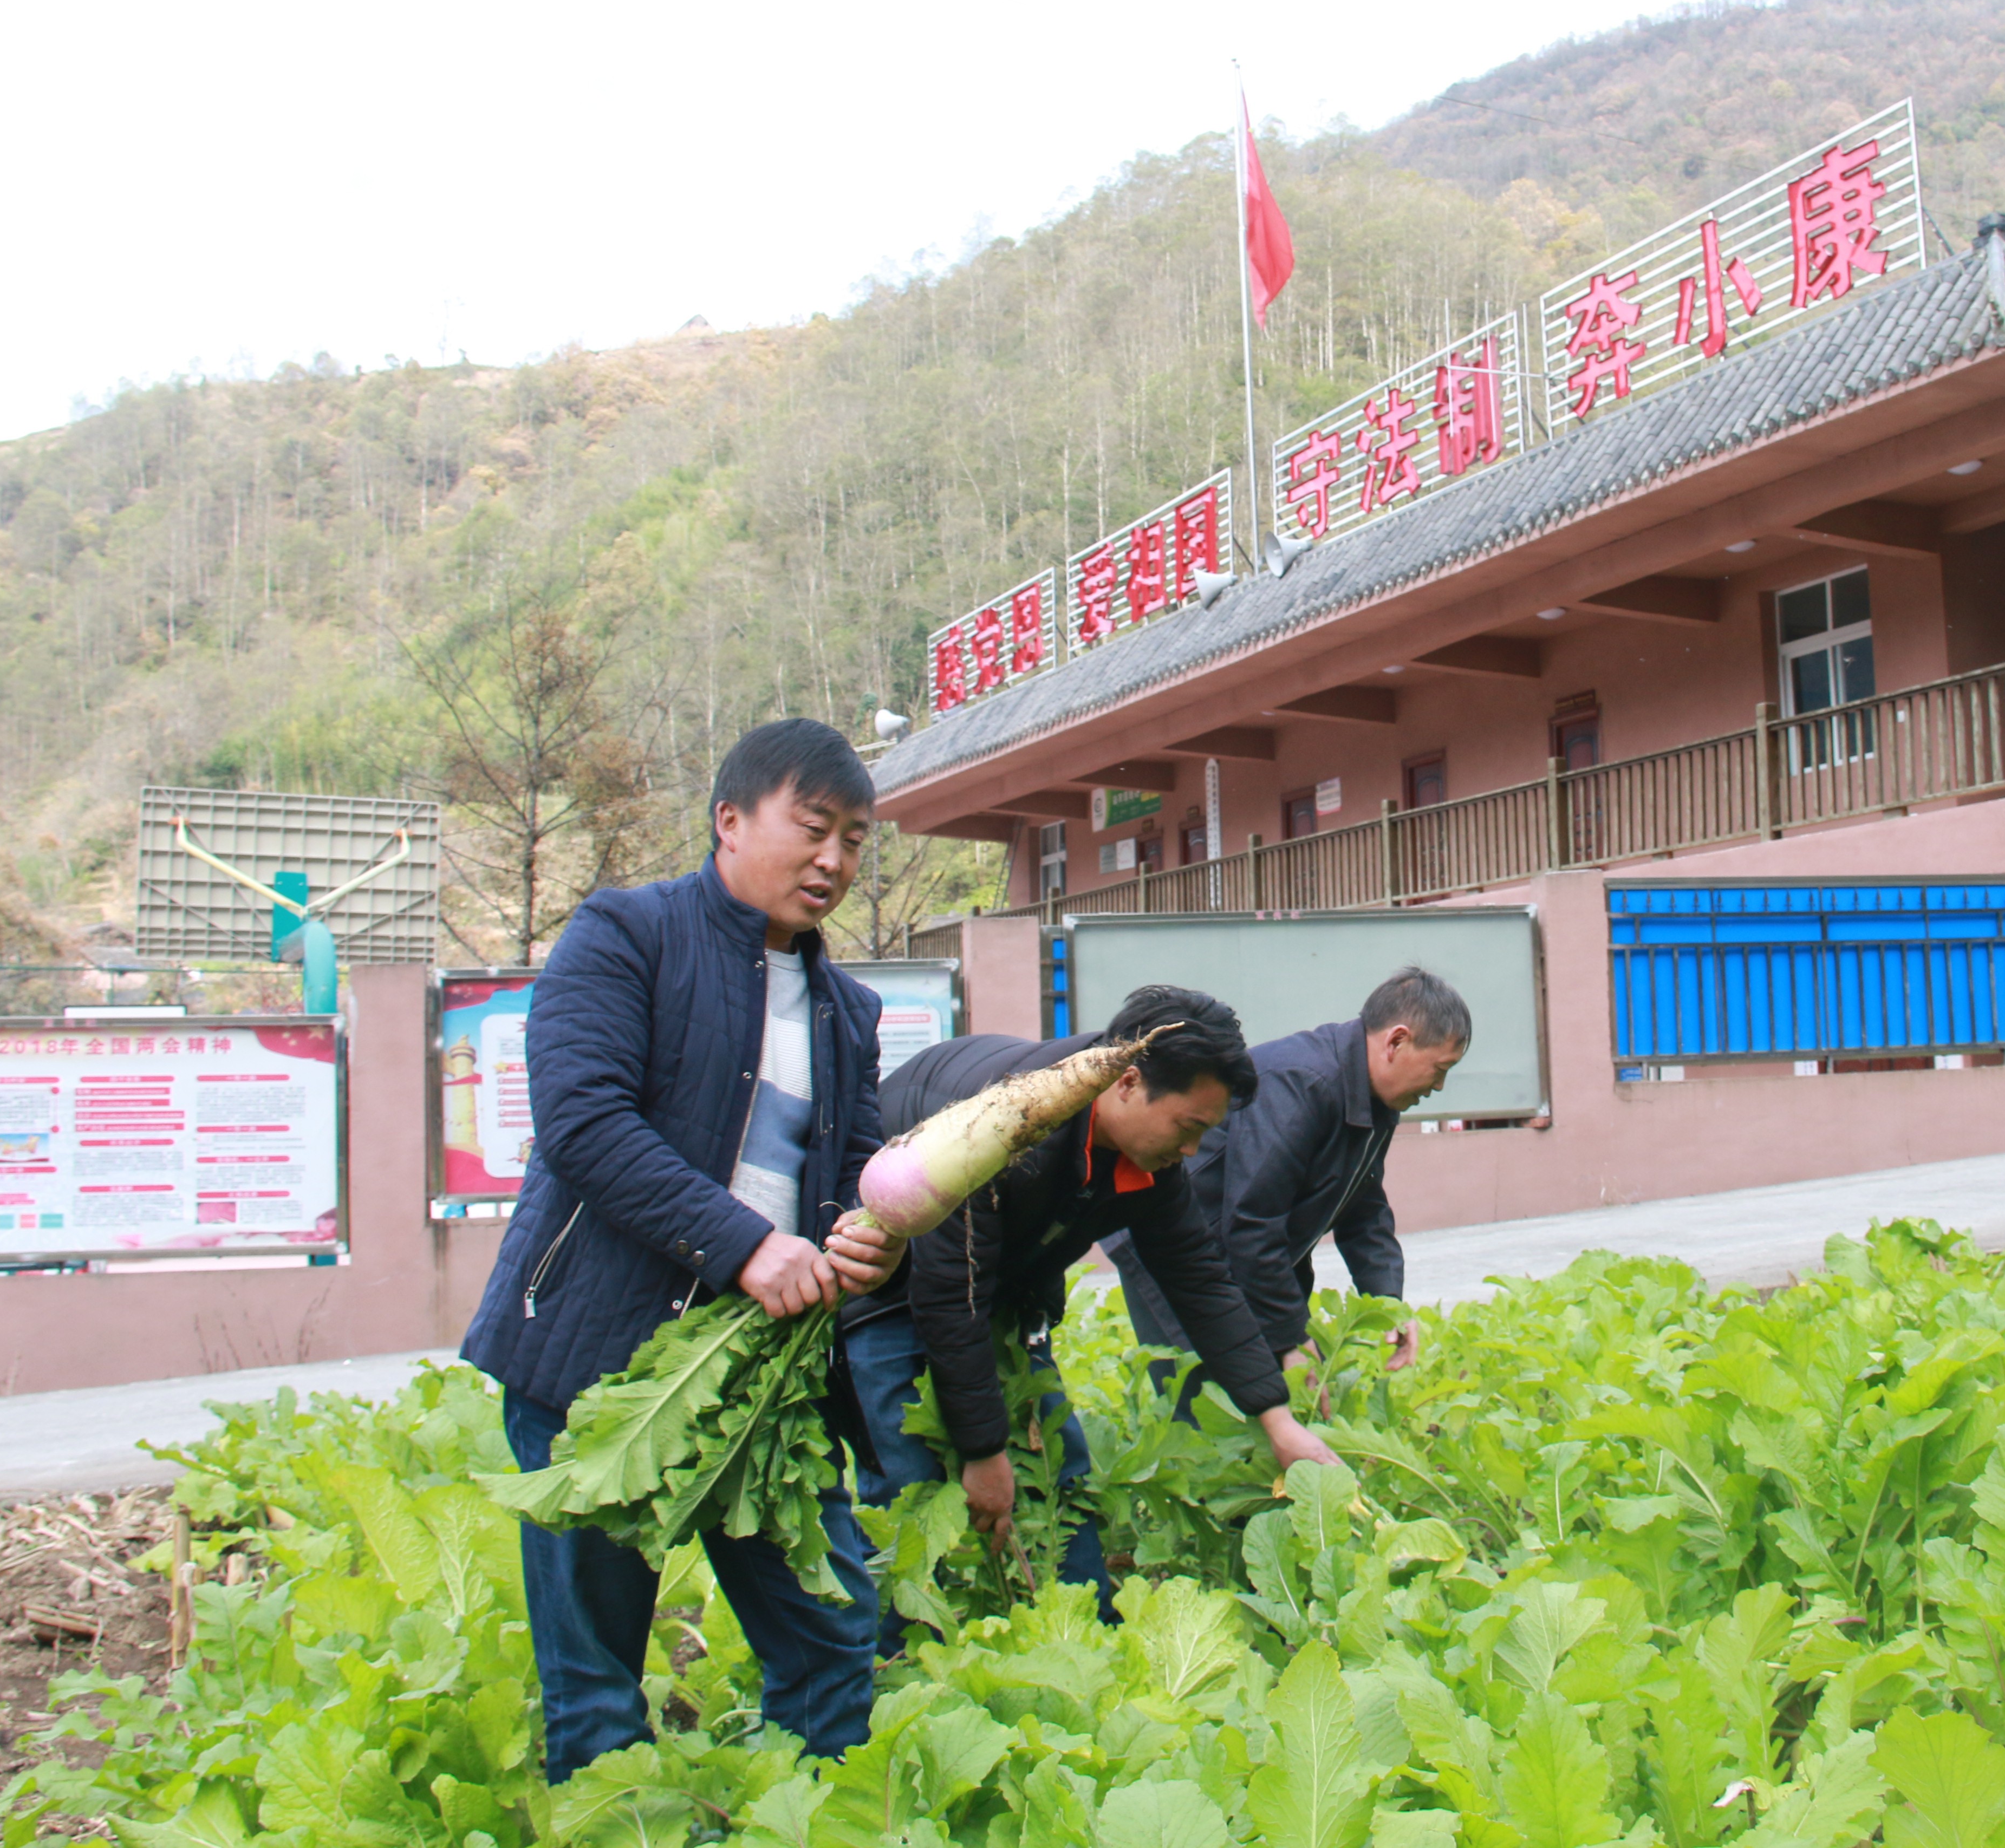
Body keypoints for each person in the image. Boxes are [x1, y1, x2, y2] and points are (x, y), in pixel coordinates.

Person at [459, 720, 908, 1780]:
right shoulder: (626, 935)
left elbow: (851, 1169)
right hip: (598, 1369)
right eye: (813, 828)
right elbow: (584, 1124)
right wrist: (747, 1246)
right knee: (597, 1681)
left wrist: (867, 1242)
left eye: (853, 840)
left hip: (761, 1377)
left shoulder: (848, 1009)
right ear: (730, 820)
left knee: (832, 1640)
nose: (834, 860)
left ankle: (808, 1815)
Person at [840, 986, 1343, 1603]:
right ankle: (897, 1645)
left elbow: (1199, 1280)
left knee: (1059, 1474)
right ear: (1128, 1082)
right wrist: (984, 1451)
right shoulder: (996, 1126)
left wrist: (1277, 1419)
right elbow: (951, 1295)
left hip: (1003, 1290)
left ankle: (1086, 1625)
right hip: (885, 1282)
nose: (1191, 1151)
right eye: (1188, 1128)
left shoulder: (1148, 1159)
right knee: (908, 1489)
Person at [1105, 967, 1470, 1382]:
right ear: (1397, 1041)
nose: (1439, 1086)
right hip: (1174, 1247)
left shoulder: (1375, 1102)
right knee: (1208, 1396)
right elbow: (1252, 1222)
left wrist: (1389, 1305)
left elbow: (1364, 1210)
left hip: (1238, 1256)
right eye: (1440, 1068)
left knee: (1274, 1389)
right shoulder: (1302, 1084)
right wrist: (1288, 1338)